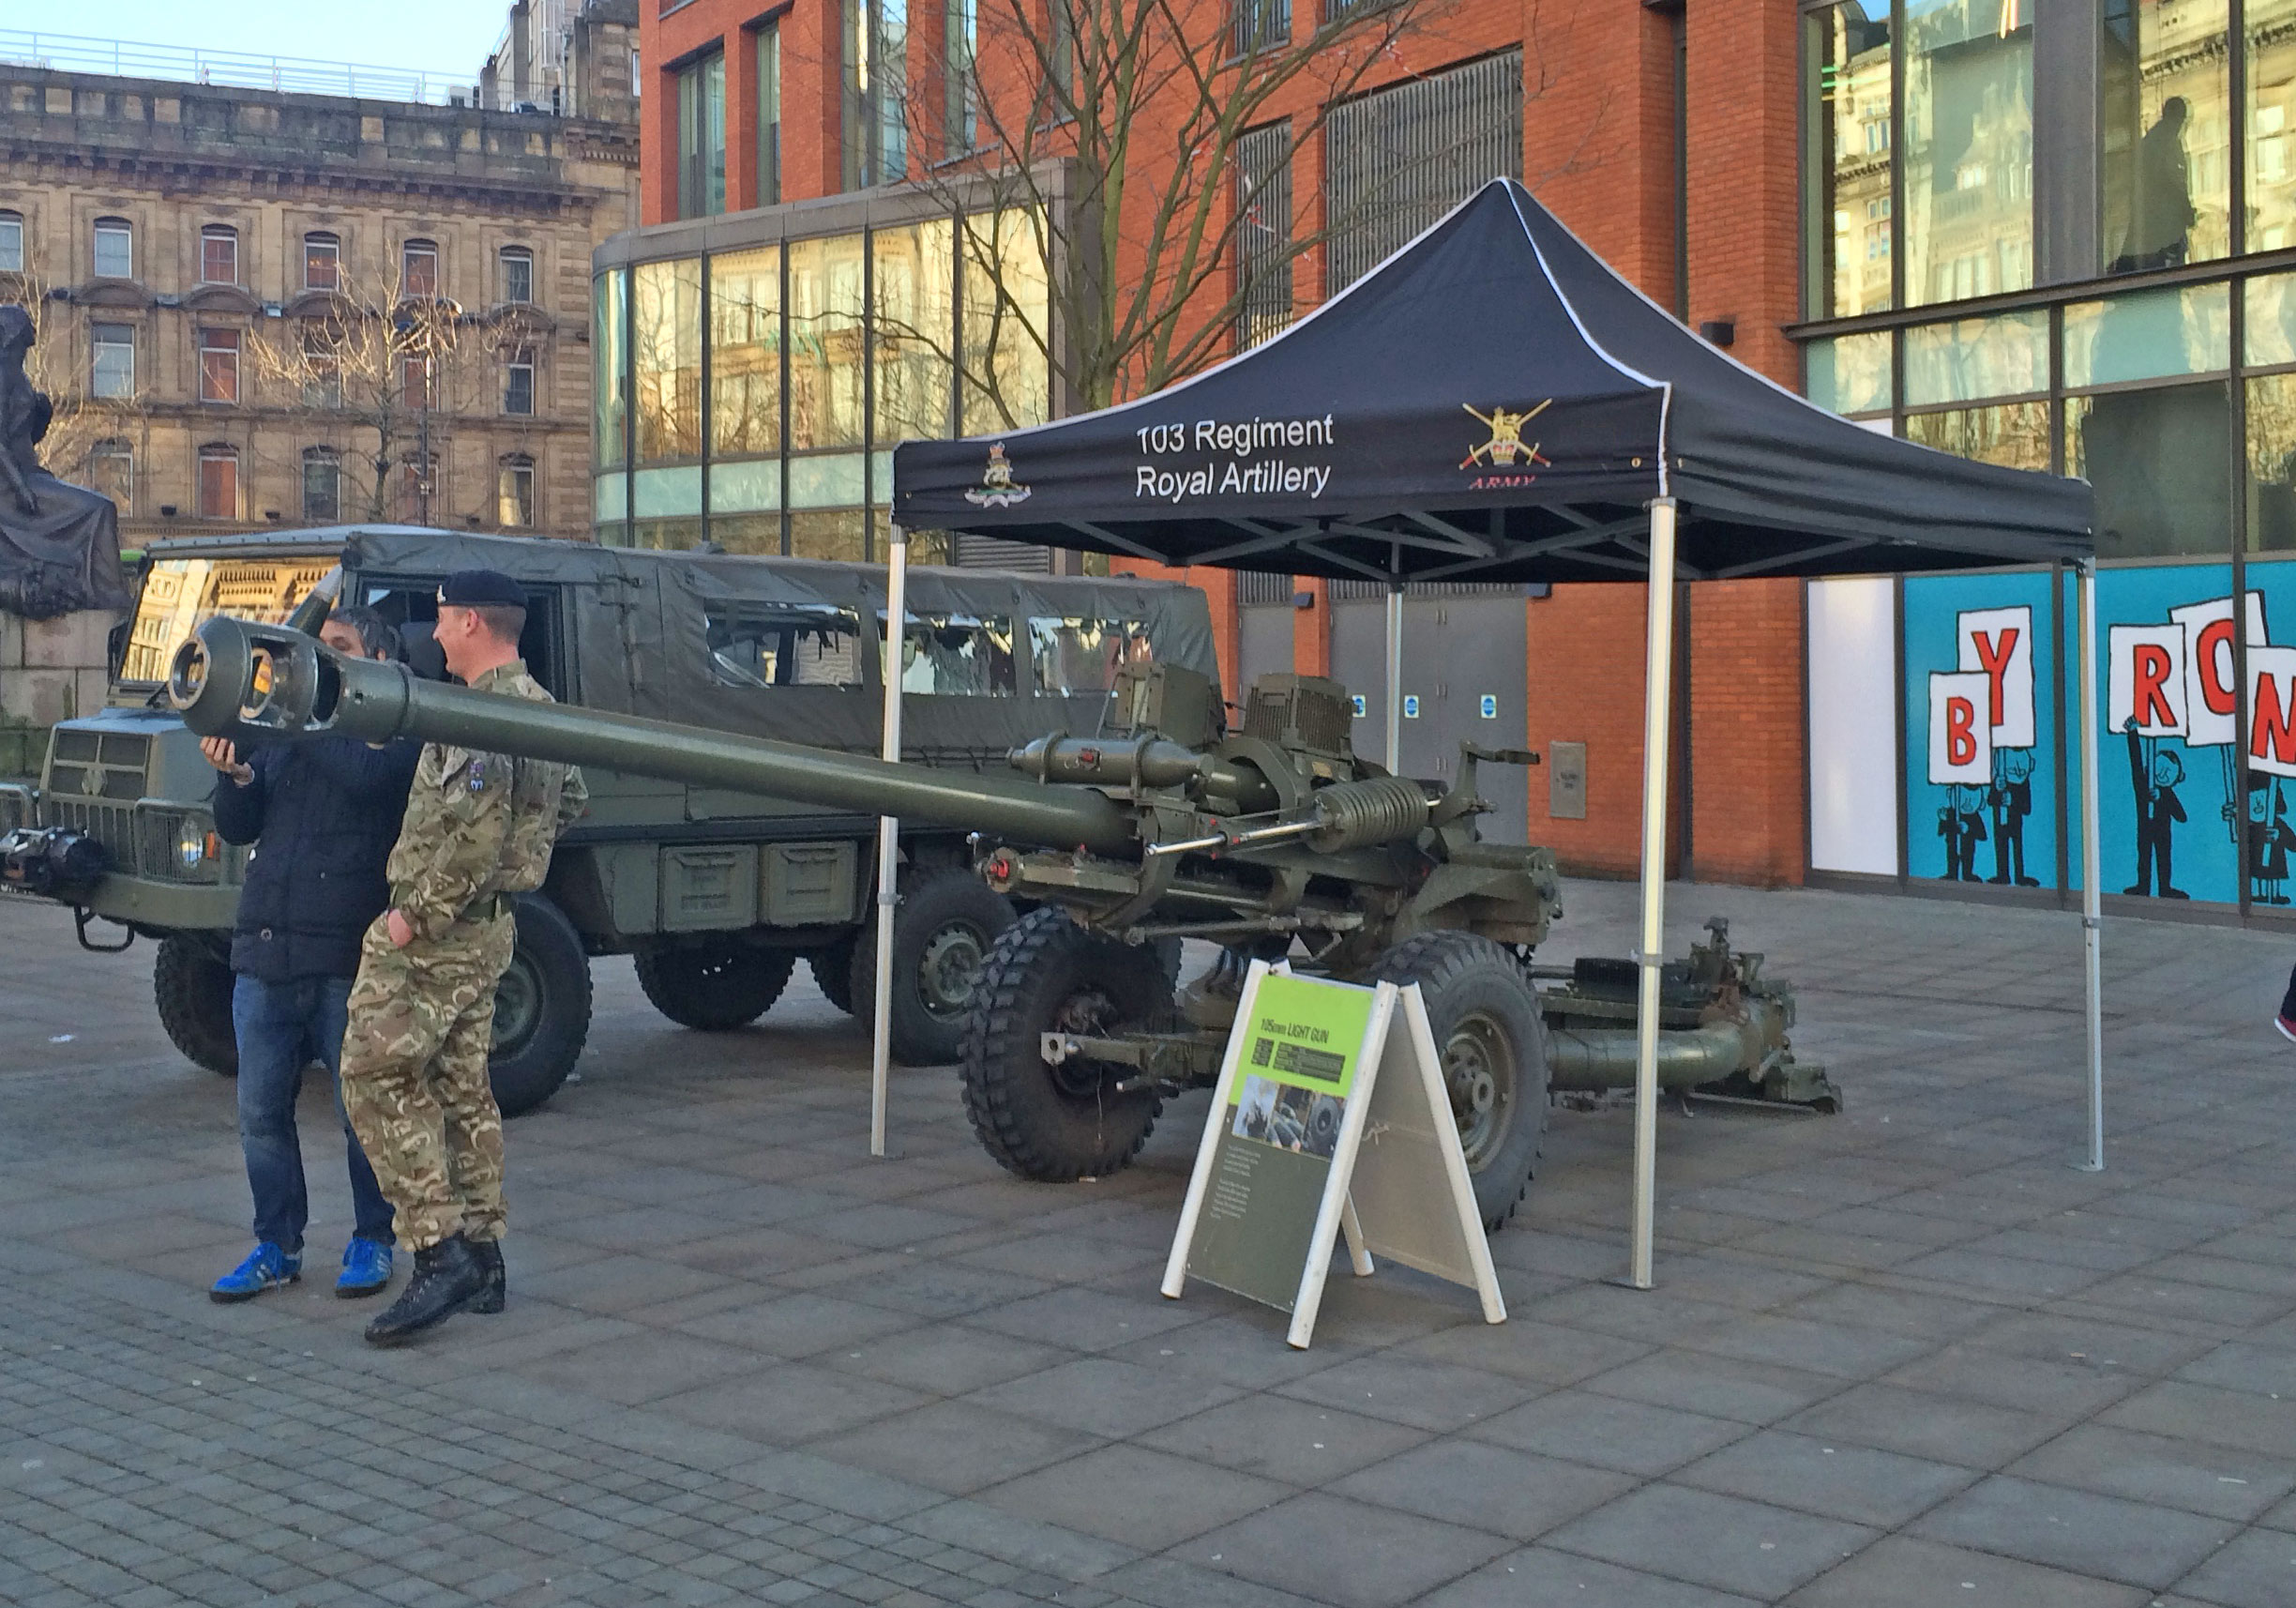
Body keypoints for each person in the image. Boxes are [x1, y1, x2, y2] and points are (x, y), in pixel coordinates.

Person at [344, 570, 585, 1347]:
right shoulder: (544, 711)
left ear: (474, 622)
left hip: (439, 934)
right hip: (490, 929)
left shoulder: (481, 715)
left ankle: (436, 1250)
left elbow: (477, 836)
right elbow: (570, 798)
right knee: (460, 1086)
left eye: (445, 620)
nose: (437, 634)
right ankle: (483, 1256)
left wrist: (414, 919)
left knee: (374, 1074)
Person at [204, 605, 420, 1302]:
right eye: (315, 649)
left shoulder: (388, 727)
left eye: (338, 648)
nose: (317, 659)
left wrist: (302, 714)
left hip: (345, 955)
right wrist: (234, 778)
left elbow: (367, 782)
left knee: (360, 1112)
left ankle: (373, 1238)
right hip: (266, 951)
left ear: (374, 662)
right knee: (260, 1112)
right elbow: (241, 826)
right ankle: (276, 1243)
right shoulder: (287, 727)